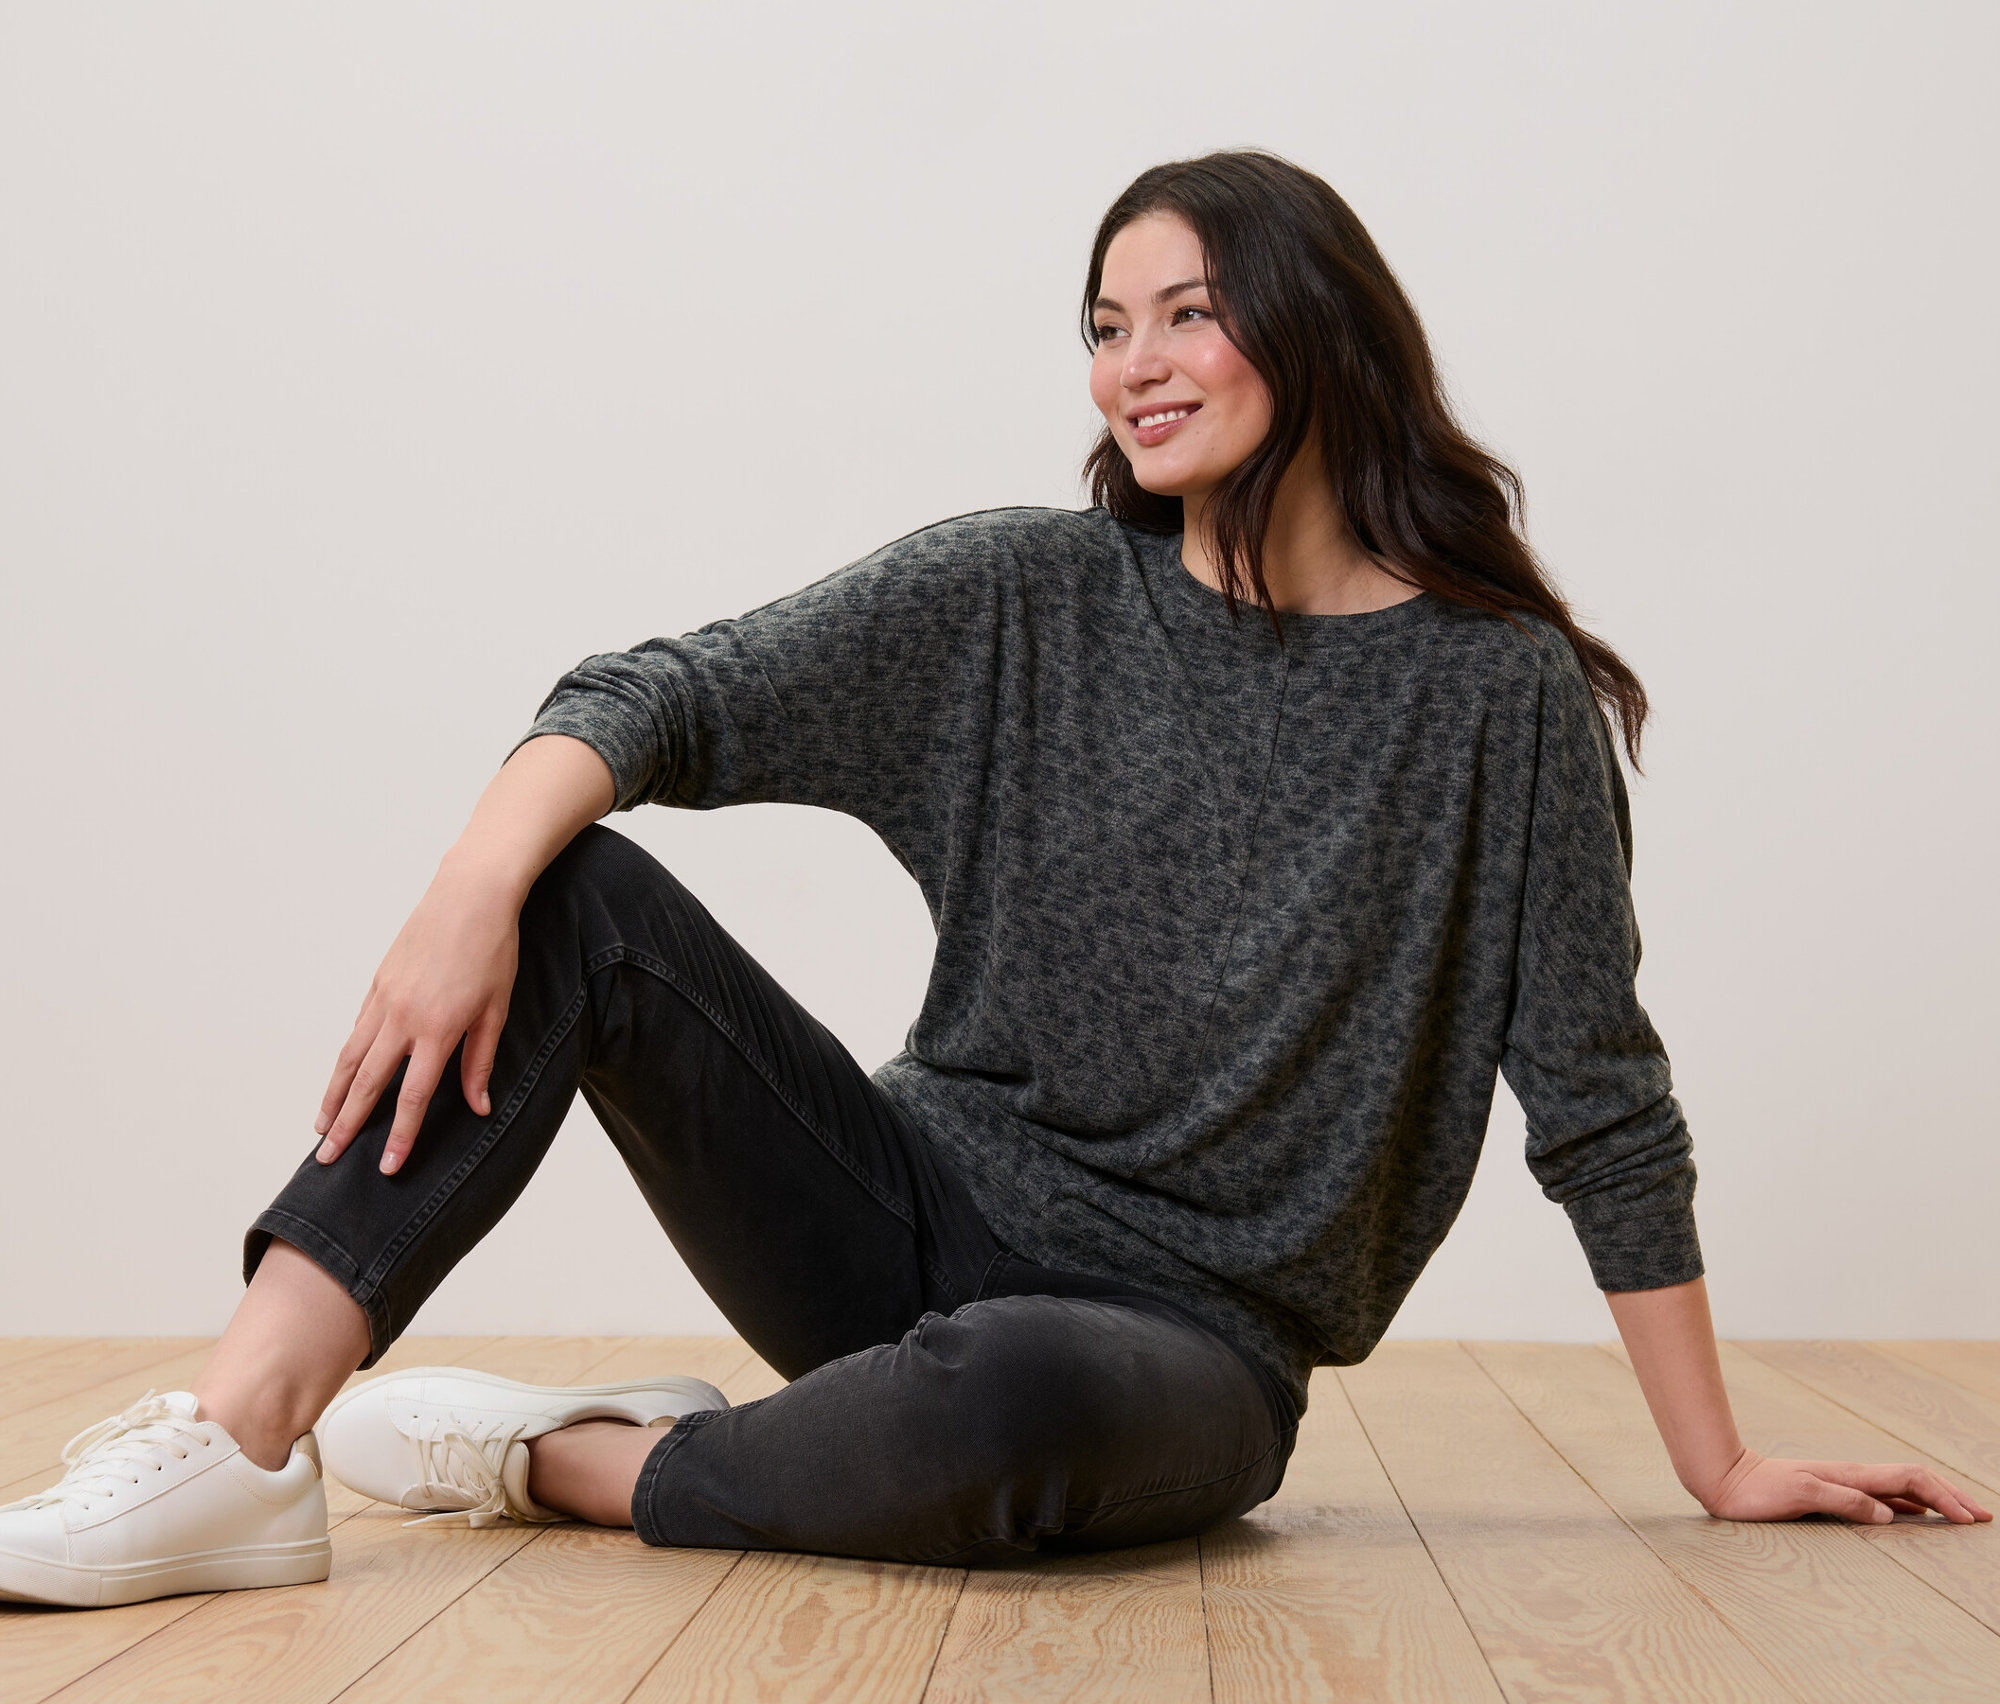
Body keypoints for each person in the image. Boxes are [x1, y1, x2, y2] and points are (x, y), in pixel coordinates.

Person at [2, 149, 1986, 1610]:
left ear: (1313, 321)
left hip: (1187, 1353)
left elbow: (1596, 1094)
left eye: (1186, 309)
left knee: (1017, 1398)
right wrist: (468, 893)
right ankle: (235, 1444)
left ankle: (561, 1456)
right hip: (897, 1224)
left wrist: (1714, 1463)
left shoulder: (1494, 698)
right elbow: (656, 694)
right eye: (1105, 325)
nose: (1135, 361)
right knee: (570, 890)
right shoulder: (1027, 594)